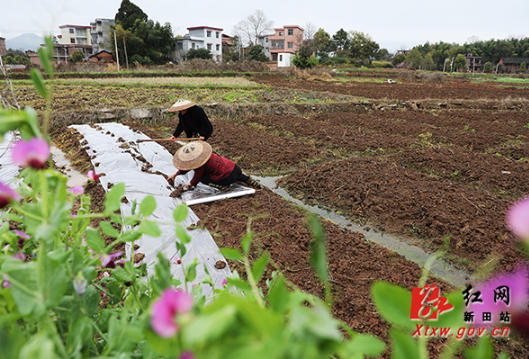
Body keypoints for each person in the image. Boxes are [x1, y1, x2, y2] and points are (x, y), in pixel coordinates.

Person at [167, 141, 261, 191]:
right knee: (241, 177)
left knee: (203, 179)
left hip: (228, 176)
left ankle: (224, 187)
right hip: (235, 168)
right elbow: (187, 168)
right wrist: (176, 174)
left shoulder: (200, 165)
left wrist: (190, 184)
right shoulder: (205, 155)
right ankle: (257, 185)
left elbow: (196, 178)